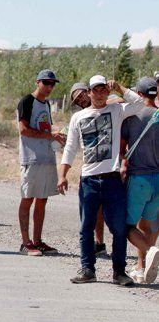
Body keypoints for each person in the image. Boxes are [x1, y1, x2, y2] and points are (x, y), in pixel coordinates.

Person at [58, 75, 143, 286]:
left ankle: (119, 272)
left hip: (112, 179)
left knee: (119, 228)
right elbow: (70, 147)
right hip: (89, 180)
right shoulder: (78, 117)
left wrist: (120, 88)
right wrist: (62, 174)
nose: (99, 93)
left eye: (103, 89)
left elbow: (140, 103)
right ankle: (87, 269)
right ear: (89, 92)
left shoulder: (116, 110)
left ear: (107, 91)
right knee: (86, 227)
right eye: (95, 90)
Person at [16, 70, 66, 256]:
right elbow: (24, 129)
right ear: (38, 82)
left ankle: (37, 240)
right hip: (31, 158)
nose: (49, 87)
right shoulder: (27, 101)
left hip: (46, 156)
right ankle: (25, 242)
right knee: (28, 197)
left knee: (42, 199)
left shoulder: (46, 104)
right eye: (46, 82)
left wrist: (56, 136)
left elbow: (44, 127)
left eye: (52, 84)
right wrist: (49, 135)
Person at [120, 77, 159, 284]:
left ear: (139, 94)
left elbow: (121, 148)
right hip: (158, 180)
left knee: (127, 226)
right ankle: (143, 268)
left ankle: (151, 251)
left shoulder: (133, 117)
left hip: (139, 178)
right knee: (148, 225)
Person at [71, 82, 108, 256]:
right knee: (91, 210)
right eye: (77, 100)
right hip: (90, 167)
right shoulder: (80, 116)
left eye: (80, 95)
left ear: (88, 91)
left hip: (111, 165)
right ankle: (96, 244)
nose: (80, 100)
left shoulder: (108, 105)